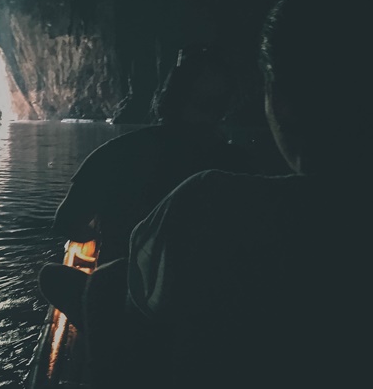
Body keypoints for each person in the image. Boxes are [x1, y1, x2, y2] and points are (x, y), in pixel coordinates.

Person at [89, 0, 372, 389]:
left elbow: (113, 277)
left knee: (105, 286)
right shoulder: (232, 175)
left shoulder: (210, 202)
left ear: (279, 101)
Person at [40, 44, 253, 328]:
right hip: (213, 309)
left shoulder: (115, 153)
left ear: (170, 98)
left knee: (51, 275)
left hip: (127, 302)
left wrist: (99, 232)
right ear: (225, 108)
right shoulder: (241, 166)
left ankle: (102, 332)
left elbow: (66, 223)